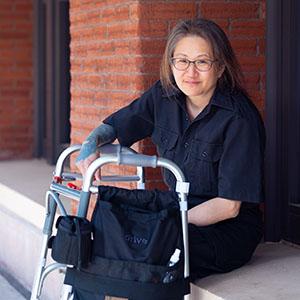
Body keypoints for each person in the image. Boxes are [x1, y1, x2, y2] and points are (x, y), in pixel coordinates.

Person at [76, 18, 265, 281]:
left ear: (220, 67)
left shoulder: (239, 119)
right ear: (171, 63)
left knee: (146, 251)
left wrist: (166, 222)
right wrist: (89, 147)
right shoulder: (164, 96)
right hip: (178, 209)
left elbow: (229, 207)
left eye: (202, 62)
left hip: (226, 228)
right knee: (114, 239)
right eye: (182, 61)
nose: (190, 72)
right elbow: (116, 125)